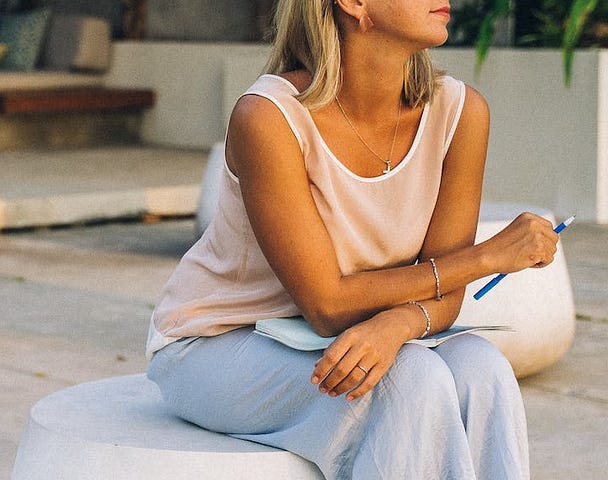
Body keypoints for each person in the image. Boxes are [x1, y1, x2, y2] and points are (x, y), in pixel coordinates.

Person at [145, 0, 563, 478]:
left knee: (482, 369)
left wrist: (399, 326)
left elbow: (444, 295)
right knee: (408, 382)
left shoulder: (461, 112)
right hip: (218, 341)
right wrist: (489, 257)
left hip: (349, 328)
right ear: (355, 4)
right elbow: (326, 305)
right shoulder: (270, 118)